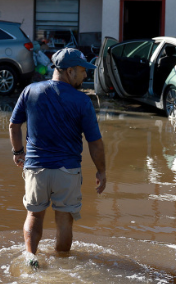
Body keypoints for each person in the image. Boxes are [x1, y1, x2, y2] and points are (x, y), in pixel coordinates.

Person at [9, 48, 107, 267]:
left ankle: (30, 256)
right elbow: (95, 142)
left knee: (34, 215)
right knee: (64, 219)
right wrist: (101, 171)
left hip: (36, 168)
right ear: (69, 71)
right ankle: (62, 266)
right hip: (67, 170)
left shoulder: (30, 91)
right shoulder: (82, 101)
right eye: (82, 71)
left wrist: (18, 152)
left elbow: (14, 125)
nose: (85, 76)